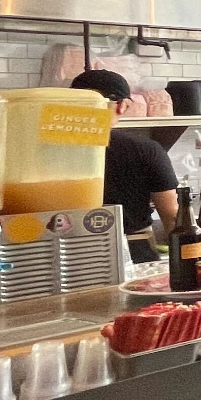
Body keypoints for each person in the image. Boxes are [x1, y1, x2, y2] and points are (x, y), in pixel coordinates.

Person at [69, 69, 178, 262]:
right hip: (134, 254)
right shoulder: (146, 150)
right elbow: (173, 217)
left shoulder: (47, 150)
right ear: (121, 106)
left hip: (69, 255)